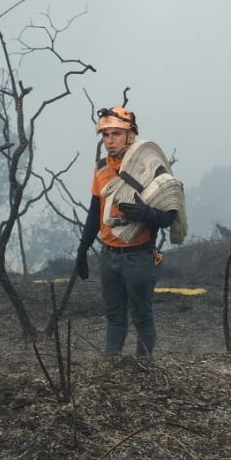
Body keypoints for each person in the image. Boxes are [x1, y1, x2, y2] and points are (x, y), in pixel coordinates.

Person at [74, 106, 178, 358]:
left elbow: (170, 215)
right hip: (109, 256)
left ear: (131, 135)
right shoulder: (101, 168)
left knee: (142, 316)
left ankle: (144, 369)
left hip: (139, 256)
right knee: (114, 317)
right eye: (106, 135)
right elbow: (95, 211)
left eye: (116, 134)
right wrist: (83, 248)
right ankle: (111, 369)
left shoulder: (150, 168)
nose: (110, 141)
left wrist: (145, 215)